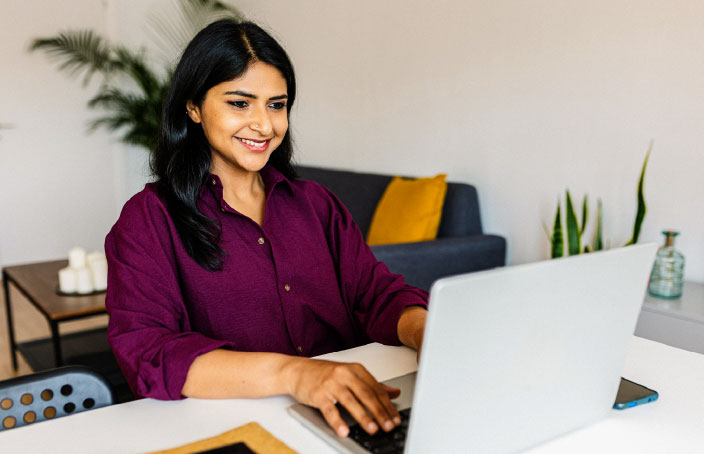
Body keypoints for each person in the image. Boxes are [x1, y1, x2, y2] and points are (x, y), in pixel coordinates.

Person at [105, 19, 428, 438]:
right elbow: (148, 353)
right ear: (193, 107)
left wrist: (427, 332)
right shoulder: (148, 220)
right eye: (240, 103)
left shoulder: (317, 204)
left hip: (351, 415)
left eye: (277, 105)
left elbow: (377, 295)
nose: (264, 124)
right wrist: (297, 374)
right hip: (234, 429)